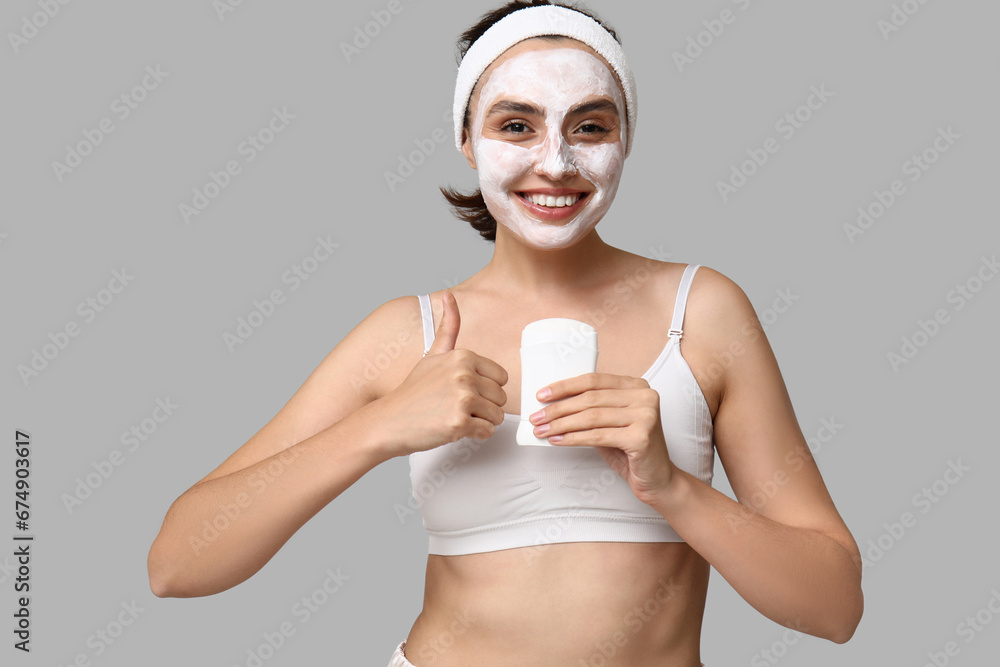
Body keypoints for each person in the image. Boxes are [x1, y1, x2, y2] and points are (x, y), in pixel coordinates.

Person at [147, 2, 864, 665]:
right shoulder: (410, 333)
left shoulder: (702, 313)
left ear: (626, 138)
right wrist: (379, 425)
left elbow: (834, 606)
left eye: (590, 125)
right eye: (515, 125)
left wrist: (671, 486)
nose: (555, 162)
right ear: (465, 139)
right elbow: (177, 563)